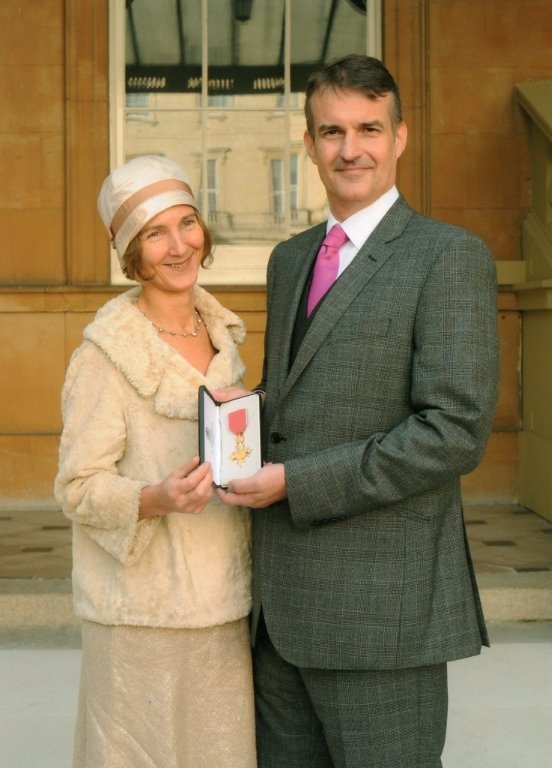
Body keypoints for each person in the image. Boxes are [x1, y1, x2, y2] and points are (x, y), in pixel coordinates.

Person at [217, 54, 500, 767]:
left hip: (383, 614)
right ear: (308, 144)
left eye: (369, 128)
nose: (351, 149)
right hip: (279, 615)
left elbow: (453, 431)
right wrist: (243, 410)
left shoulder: (448, 257)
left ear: (400, 137)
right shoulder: (291, 259)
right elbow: (303, 397)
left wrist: (297, 483)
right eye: (332, 131)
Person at [54, 154, 256, 768]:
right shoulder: (104, 357)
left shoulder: (225, 337)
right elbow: (78, 487)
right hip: (136, 615)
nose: (178, 246)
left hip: (223, 605)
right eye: (155, 232)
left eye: (187, 223)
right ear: (130, 252)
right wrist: (154, 499)